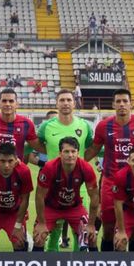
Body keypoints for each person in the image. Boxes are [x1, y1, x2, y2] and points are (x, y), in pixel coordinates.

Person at [84, 89, 134, 252]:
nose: (122, 104)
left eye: (125, 101)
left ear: (131, 104)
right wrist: (76, 164)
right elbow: (94, 149)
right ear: (113, 105)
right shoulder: (103, 126)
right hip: (110, 182)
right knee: (108, 228)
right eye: (118, 101)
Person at [37, 89, 94, 251]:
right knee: (53, 231)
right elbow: (36, 144)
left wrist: (82, 163)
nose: (65, 103)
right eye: (62, 100)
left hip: (79, 184)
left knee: (80, 233)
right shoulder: (46, 126)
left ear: (74, 103)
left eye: (69, 100)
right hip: (53, 184)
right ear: (57, 103)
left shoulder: (84, 126)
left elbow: (90, 147)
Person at [33, 137, 99, 252]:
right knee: (39, 237)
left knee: (90, 236)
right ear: (60, 153)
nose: (70, 155)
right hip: (51, 208)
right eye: (66, 151)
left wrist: (91, 224)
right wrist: (41, 223)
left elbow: (94, 197)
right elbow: (39, 196)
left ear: (78, 153)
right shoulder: (49, 168)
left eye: (73, 151)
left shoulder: (86, 168)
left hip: (74, 208)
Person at [0, 88, 44, 160]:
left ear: (17, 104)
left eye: (11, 101)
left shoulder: (26, 124)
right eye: (4, 101)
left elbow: (37, 145)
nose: (7, 104)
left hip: (16, 169)